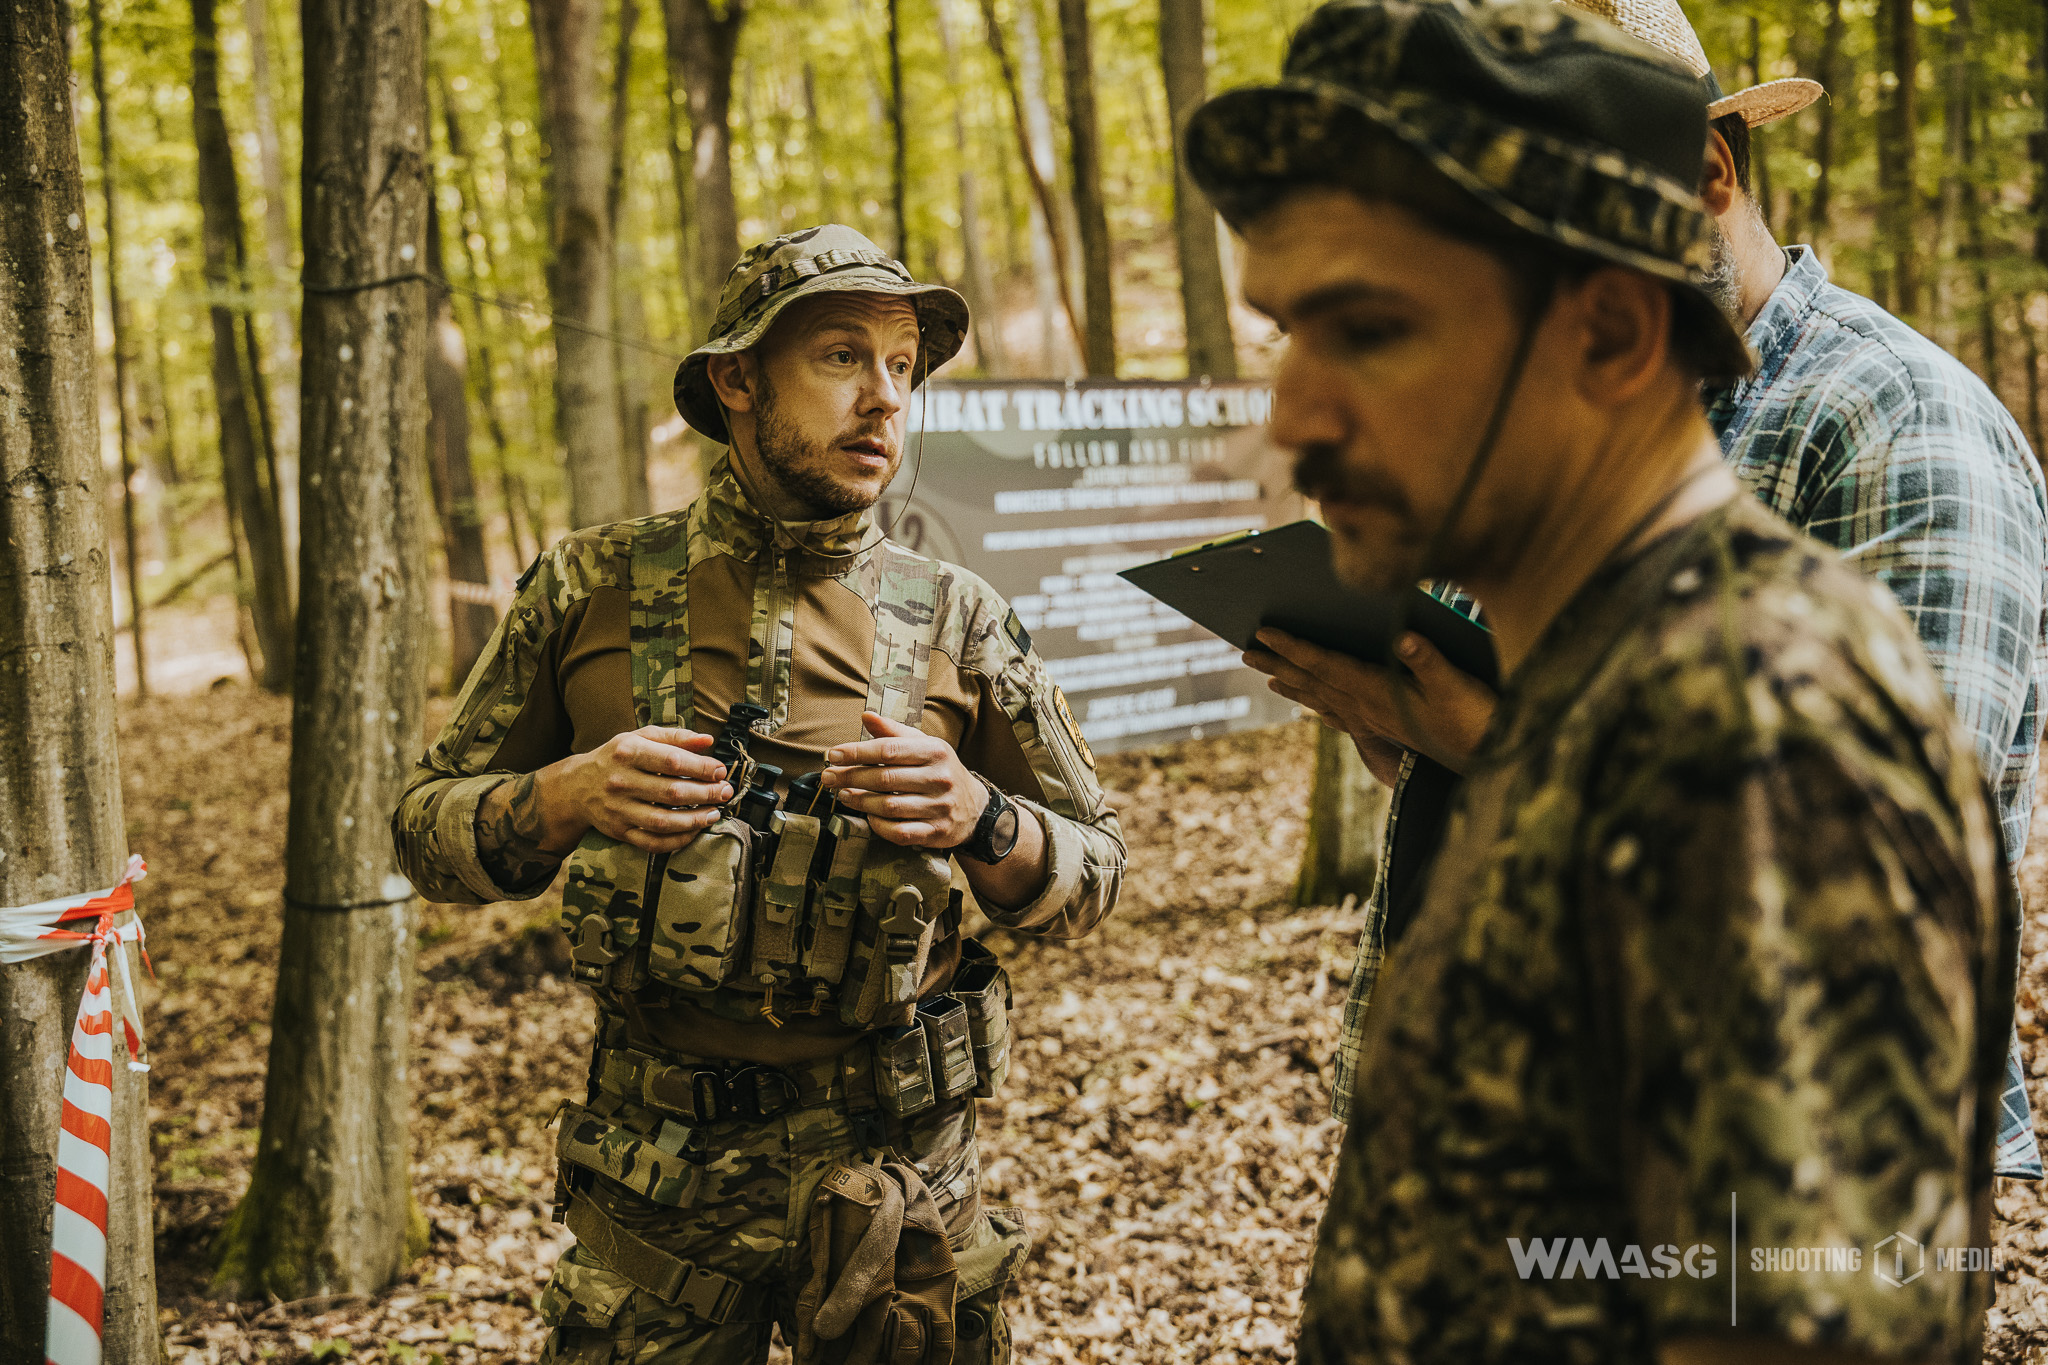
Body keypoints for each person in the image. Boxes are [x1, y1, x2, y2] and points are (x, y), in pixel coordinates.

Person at [1185, 0, 2015, 1359]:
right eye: (1291, 329)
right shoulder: (1626, 652)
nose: (1293, 414)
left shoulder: (1767, 722)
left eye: (1378, 327)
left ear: (1619, 334)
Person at [390, 224, 1126, 1364]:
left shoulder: (958, 616)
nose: (883, 400)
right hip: (655, 1185)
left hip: (899, 1182)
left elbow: (1094, 873)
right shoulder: (587, 585)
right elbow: (424, 834)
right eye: (841, 358)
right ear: (735, 378)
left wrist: (984, 820)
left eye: (899, 366)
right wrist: (565, 796)